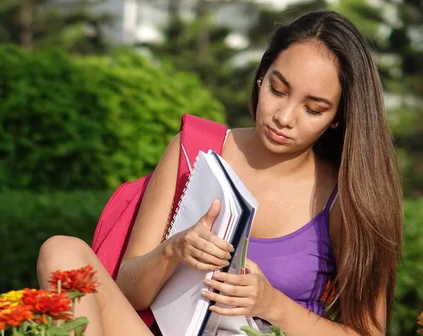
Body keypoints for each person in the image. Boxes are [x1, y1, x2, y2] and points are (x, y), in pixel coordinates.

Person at [36, 10, 403, 336]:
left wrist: (272, 304)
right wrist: (174, 250)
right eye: (277, 89)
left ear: (338, 117)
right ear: (261, 77)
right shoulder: (194, 149)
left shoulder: (345, 196)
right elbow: (129, 291)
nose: (284, 117)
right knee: (62, 252)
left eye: (313, 109)